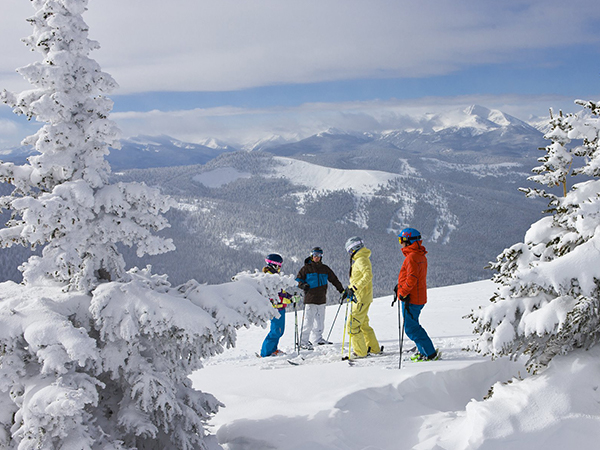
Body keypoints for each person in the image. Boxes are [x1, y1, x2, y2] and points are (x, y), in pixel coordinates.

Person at [394, 228, 438, 361]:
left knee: (411, 329)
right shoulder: (419, 255)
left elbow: (412, 279)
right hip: (417, 297)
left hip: (411, 298)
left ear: (408, 241)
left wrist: (402, 292)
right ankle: (423, 351)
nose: (401, 244)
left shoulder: (412, 257)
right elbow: (413, 277)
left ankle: (429, 353)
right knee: (413, 325)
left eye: (402, 240)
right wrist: (400, 286)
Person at [296, 246, 344, 349]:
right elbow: (297, 280)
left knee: (320, 323)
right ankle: (303, 342)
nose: (316, 257)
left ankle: (317, 340)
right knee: (308, 323)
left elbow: (334, 279)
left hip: (321, 299)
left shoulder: (325, 269)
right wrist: (303, 285)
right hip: (310, 299)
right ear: (311, 256)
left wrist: (341, 290)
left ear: (321, 256)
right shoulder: (306, 268)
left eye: (319, 255)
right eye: (315, 255)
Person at [344, 236, 381, 358]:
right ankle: (373, 348)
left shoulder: (361, 260)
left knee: (352, 325)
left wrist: (354, 288)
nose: (349, 254)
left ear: (353, 249)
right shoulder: (361, 259)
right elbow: (358, 278)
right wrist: (349, 289)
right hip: (361, 297)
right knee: (363, 324)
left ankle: (360, 352)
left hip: (361, 298)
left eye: (349, 251)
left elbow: (367, 276)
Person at [260, 253, 298, 357]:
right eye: (279, 266)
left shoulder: (275, 277)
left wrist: (290, 297)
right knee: (276, 331)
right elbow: (274, 296)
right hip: (275, 309)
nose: (280, 268)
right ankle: (265, 353)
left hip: (280, 308)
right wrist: (288, 300)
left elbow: (281, 292)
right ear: (274, 265)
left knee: (279, 331)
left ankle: (273, 349)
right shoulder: (269, 278)